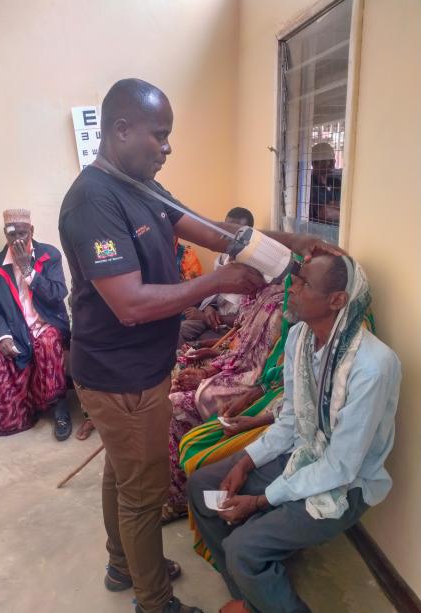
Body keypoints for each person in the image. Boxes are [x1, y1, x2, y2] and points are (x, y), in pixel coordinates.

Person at [58, 78, 339, 613]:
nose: (168, 147)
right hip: (120, 377)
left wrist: (291, 241)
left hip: (143, 368)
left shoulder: (142, 186)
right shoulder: (92, 202)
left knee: (123, 473)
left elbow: (215, 231)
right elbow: (130, 304)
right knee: (141, 493)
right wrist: (217, 282)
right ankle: (154, 601)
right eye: (159, 136)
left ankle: (125, 564)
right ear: (120, 130)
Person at [188, 255, 401, 613]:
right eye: (296, 280)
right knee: (203, 486)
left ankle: (263, 590)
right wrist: (244, 461)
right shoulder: (300, 338)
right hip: (303, 455)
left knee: (244, 547)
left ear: (337, 301)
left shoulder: (372, 367)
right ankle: (249, 596)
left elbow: (341, 466)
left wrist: (260, 501)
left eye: (304, 285)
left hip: (347, 485)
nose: (293, 290)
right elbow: (290, 420)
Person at [164, 282, 286, 523]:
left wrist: (209, 373)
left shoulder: (284, 309)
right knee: (176, 370)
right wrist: (211, 364)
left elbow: (264, 371)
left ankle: (180, 495)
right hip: (242, 371)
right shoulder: (260, 295)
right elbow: (239, 348)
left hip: (254, 385)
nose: (296, 289)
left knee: (177, 405)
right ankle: (170, 477)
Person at [0, 209, 72, 440]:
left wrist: (28, 270)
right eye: (12, 234)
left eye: (22, 233)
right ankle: (17, 416)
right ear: (5, 234)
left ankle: (59, 407)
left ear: (31, 230)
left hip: (45, 323)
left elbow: (58, 293)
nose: (17, 239)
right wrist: (2, 336)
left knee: (49, 342)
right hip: (13, 328)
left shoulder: (49, 255)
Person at [178, 207, 254, 347]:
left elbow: (249, 319)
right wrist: (208, 309)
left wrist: (208, 317)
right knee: (177, 333)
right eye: (227, 231)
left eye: (238, 232)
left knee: (198, 344)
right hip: (213, 317)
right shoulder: (222, 259)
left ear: (250, 235)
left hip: (232, 327)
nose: (230, 237)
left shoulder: (254, 270)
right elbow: (214, 296)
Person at [309, 142, 342, 225]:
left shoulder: (336, 182)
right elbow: (324, 213)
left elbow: (343, 205)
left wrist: (333, 209)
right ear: (314, 163)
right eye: (327, 160)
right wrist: (343, 213)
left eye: (333, 159)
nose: (332, 163)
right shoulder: (309, 184)